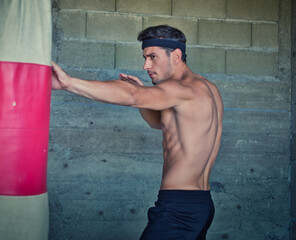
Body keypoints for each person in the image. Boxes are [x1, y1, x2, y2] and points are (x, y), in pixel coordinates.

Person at [51, 25, 223, 240]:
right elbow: (160, 123)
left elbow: (131, 96)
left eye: (153, 57)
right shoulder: (207, 88)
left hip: (178, 208)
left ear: (176, 55)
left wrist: (69, 83)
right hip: (200, 203)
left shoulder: (182, 89)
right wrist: (145, 96)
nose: (146, 65)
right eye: (145, 57)